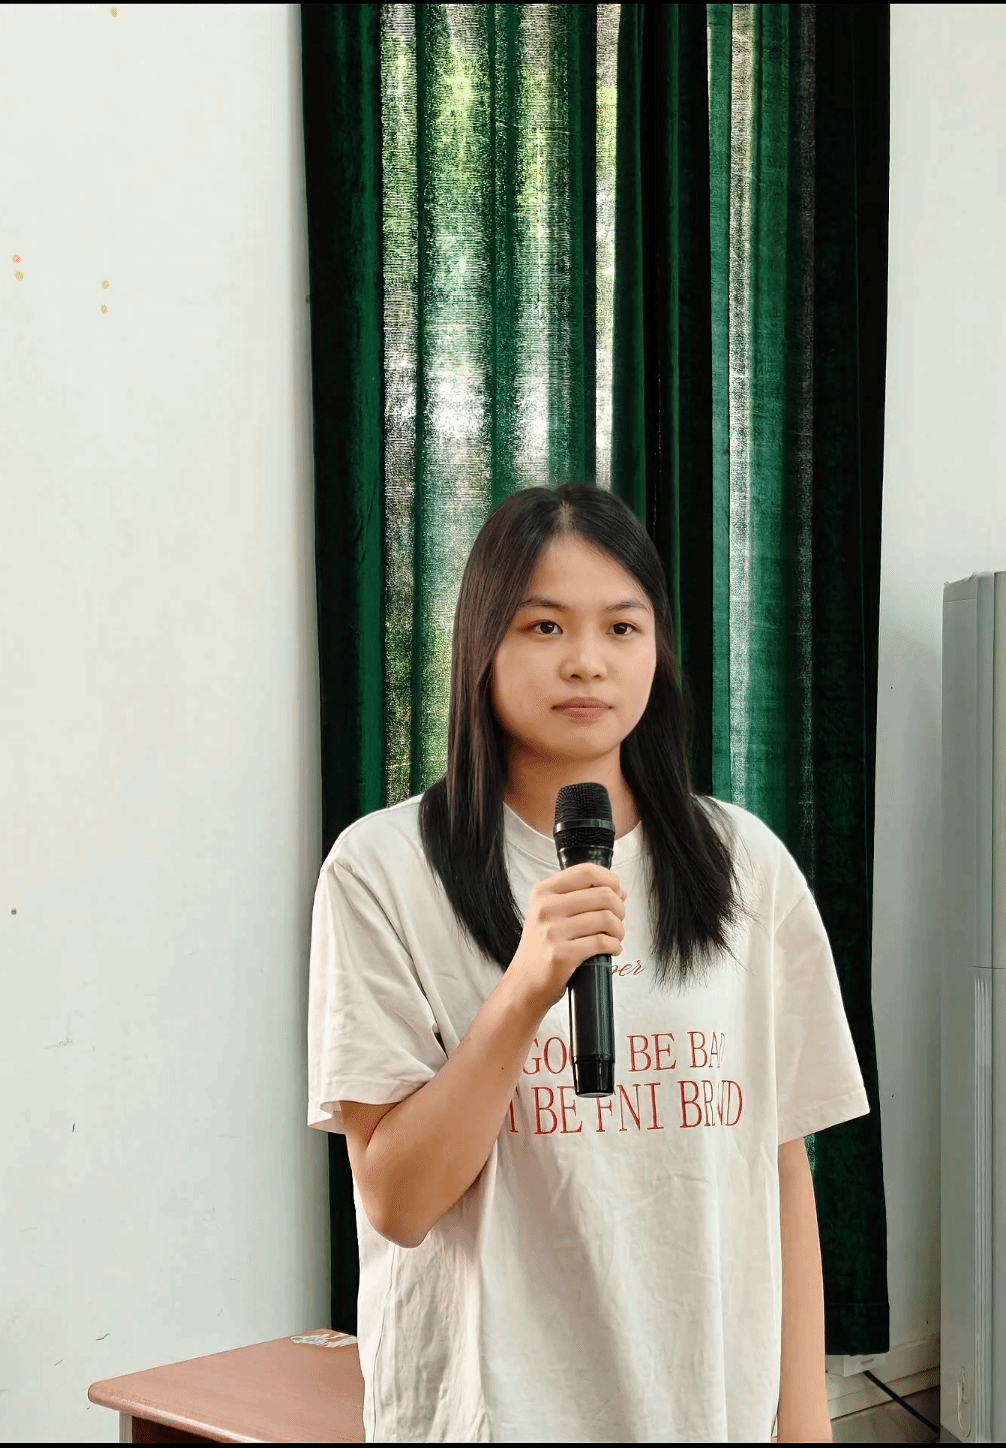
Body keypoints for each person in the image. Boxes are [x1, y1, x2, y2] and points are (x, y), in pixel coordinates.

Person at [307, 483, 867, 1443]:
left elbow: (779, 1162)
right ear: (481, 644)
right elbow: (397, 1202)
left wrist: (805, 1422)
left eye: (621, 627)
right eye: (544, 626)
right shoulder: (382, 869)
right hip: (491, 1418)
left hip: (707, 1410)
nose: (586, 661)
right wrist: (526, 989)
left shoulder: (745, 863)